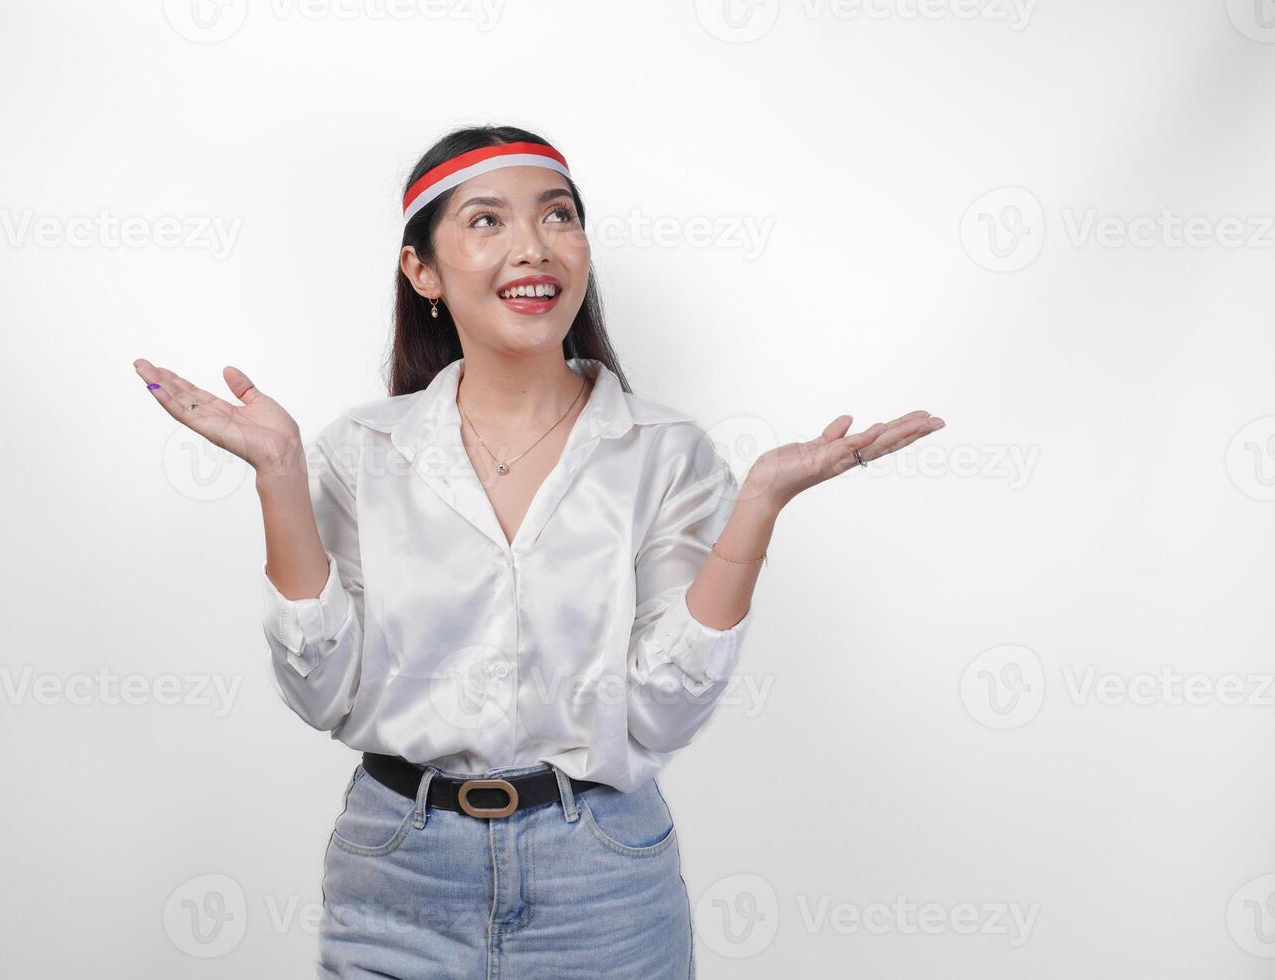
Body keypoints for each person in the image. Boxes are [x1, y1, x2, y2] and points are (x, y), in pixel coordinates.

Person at [133, 125, 944, 977]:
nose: (533, 247)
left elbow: (665, 710)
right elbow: (322, 691)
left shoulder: (664, 452)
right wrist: (280, 477)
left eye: (557, 216)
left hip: (602, 878)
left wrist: (759, 505)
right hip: (396, 873)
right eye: (487, 222)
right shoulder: (361, 451)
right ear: (423, 271)